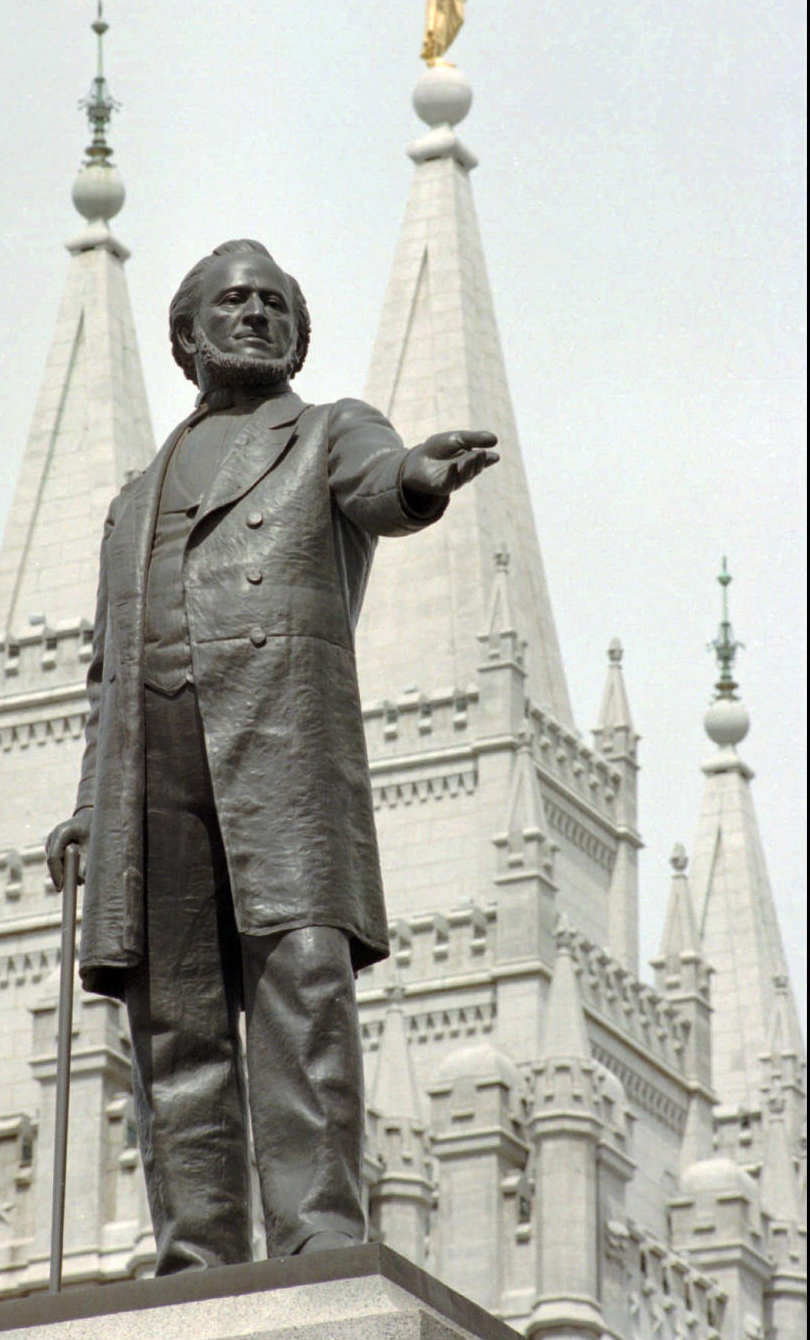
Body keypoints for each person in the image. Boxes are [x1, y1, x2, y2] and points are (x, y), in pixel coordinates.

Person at [46, 238, 498, 1274]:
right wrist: (87, 806)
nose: (254, 315)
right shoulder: (134, 497)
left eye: (273, 304)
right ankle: (197, 1251)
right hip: (153, 773)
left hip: (279, 755)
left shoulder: (328, 432)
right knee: (177, 1017)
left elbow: (382, 480)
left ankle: (317, 1231)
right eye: (233, 301)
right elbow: (105, 673)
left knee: (302, 984)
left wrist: (419, 477)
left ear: (297, 334)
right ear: (187, 334)